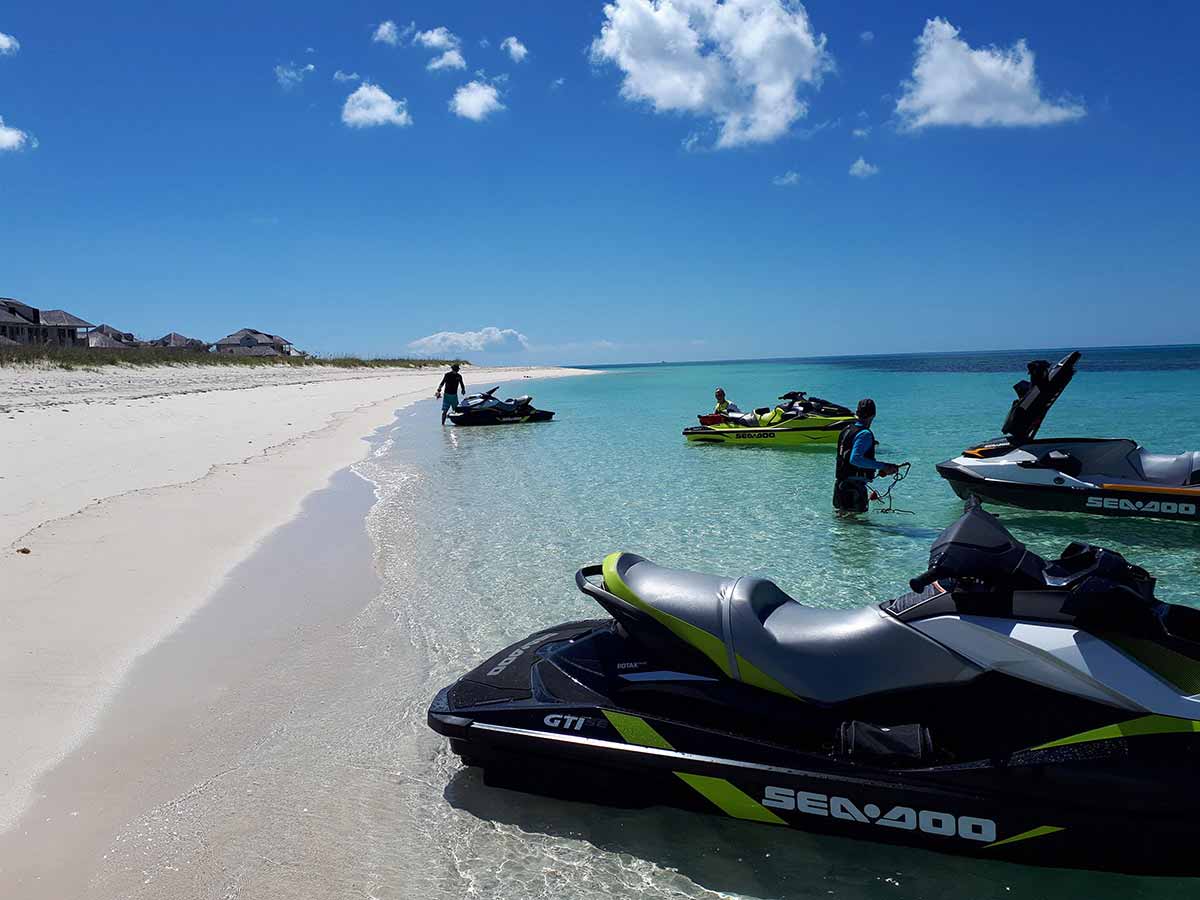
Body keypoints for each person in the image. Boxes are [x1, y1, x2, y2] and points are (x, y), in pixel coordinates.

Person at [833, 398, 905, 515]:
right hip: (853, 488)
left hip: (840, 486)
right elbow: (855, 459)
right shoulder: (864, 434)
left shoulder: (846, 430)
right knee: (857, 528)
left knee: (844, 523)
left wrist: (881, 467)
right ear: (873, 415)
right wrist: (883, 466)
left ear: (857, 413)